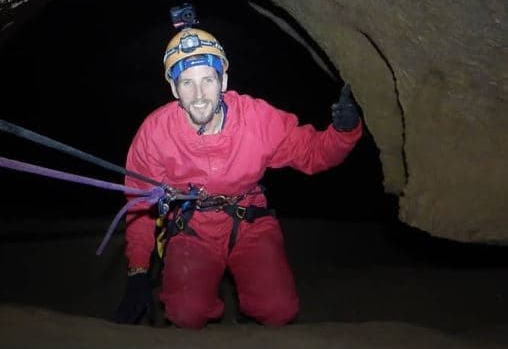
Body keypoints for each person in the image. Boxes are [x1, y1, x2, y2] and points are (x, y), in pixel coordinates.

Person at [115, 25, 362, 329]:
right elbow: (139, 201)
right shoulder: (155, 134)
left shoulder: (257, 119)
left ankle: (248, 311)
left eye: (208, 80)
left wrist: (344, 132)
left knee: (279, 310)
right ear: (174, 89)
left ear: (224, 81)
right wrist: (138, 270)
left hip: (250, 221)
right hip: (193, 227)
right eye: (187, 83)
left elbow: (312, 153)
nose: (199, 95)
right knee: (184, 313)